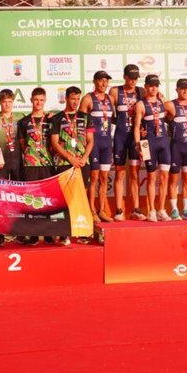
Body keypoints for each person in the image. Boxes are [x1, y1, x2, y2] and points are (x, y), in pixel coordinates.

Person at [51, 86, 94, 245]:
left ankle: (82, 232)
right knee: (65, 198)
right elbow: (55, 143)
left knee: (81, 196)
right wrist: (70, 158)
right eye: (72, 99)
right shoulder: (56, 119)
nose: (75, 102)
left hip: (83, 163)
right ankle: (64, 233)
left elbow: (90, 141)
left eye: (77, 99)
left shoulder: (86, 117)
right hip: (64, 163)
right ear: (66, 99)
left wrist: (83, 158)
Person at [18, 87, 55, 245]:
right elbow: (22, 144)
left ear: (45, 101)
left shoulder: (51, 120)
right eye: (36, 100)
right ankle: (33, 234)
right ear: (31, 100)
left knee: (47, 198)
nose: (38, 103)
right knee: (32, 199)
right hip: (30, 164)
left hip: (47, 163)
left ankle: (48, 233)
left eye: (41, 100)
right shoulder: (24, 122)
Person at [109, 64, 146, 221]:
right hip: (121, 136)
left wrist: (144, 129)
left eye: (136, 78)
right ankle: (118, 210)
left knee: (135, 174)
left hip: (136, 137)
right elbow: (108, 114)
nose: (133, 81)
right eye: (130, 77)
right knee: (120, 172)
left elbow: (151, 109)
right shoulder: (115, 91)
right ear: (124, 76)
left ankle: (136, 208)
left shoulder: (142, 91)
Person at [0, 88, 22, 246]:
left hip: (17, 161)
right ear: (0, 102)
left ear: (13, 102)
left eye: (10, 101)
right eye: (4, 102)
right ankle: (0, 233)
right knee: (1, 198)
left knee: (18, 197)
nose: (7, 104)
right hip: (2, 162)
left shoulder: (20, 118)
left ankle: (19, 231)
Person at [135, 74, 171, 222]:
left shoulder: (162, 100)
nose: (154, 88)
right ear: (146, 87)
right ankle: (152, 210)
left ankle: (161, 209)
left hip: (164, 142)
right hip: (147, 143)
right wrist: (138, 144)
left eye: (156, 85)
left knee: (164, 177)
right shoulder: (140, 104)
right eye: (151, 85)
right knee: (151, 177)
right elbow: (137, 127)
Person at [79, 71, 115, 223]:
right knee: (93, 178)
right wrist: (90, 134)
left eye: (106, 81)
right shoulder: (88, 98)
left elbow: (113, 120)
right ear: (94, 82)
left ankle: (102, 210)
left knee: (104, 178)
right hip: (94, 143)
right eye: (101, 81)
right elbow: (80, 123)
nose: (104, 84)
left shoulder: (110, 98)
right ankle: (91, 210)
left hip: (107, 143)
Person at [164, 79, 187, 220]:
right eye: (182, 88)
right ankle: (174, 209)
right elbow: (158, 113)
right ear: (177, 90)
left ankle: (186, 209)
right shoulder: (171, 105)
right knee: (174, 180)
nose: (185, 91)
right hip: (175, 146)